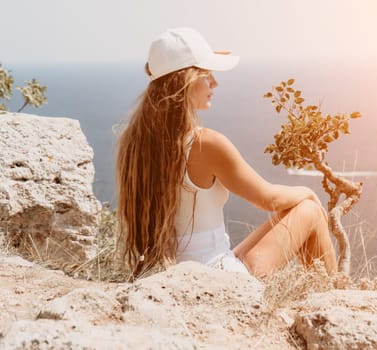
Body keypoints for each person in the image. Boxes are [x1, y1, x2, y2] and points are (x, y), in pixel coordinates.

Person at [116, 27, 337, 278]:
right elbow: (269, 199)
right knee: (309, 210)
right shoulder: (205, 143)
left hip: (165, 274)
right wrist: (308, 192)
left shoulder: (133, 143)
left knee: (294, 215)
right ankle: (334, 300)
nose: (215, 83)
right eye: (206, 75)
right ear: (184, 81)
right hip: (217, 276)